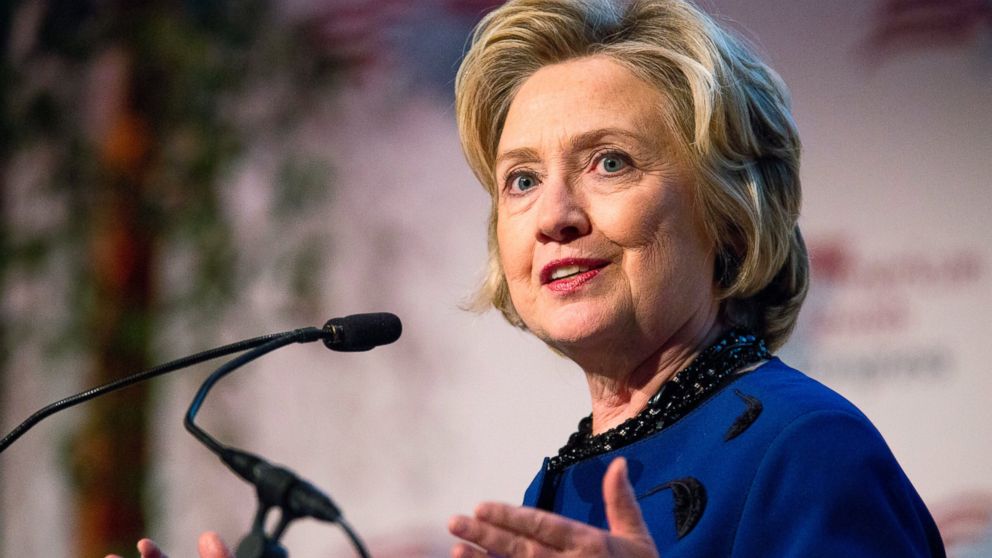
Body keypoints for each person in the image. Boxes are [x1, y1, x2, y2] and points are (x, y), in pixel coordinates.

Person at [112, 0, 946, 556]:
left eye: (609, 162)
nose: (554, 214)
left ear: (728, 212)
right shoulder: (569, 479)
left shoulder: (805, 452)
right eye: (520, 179)